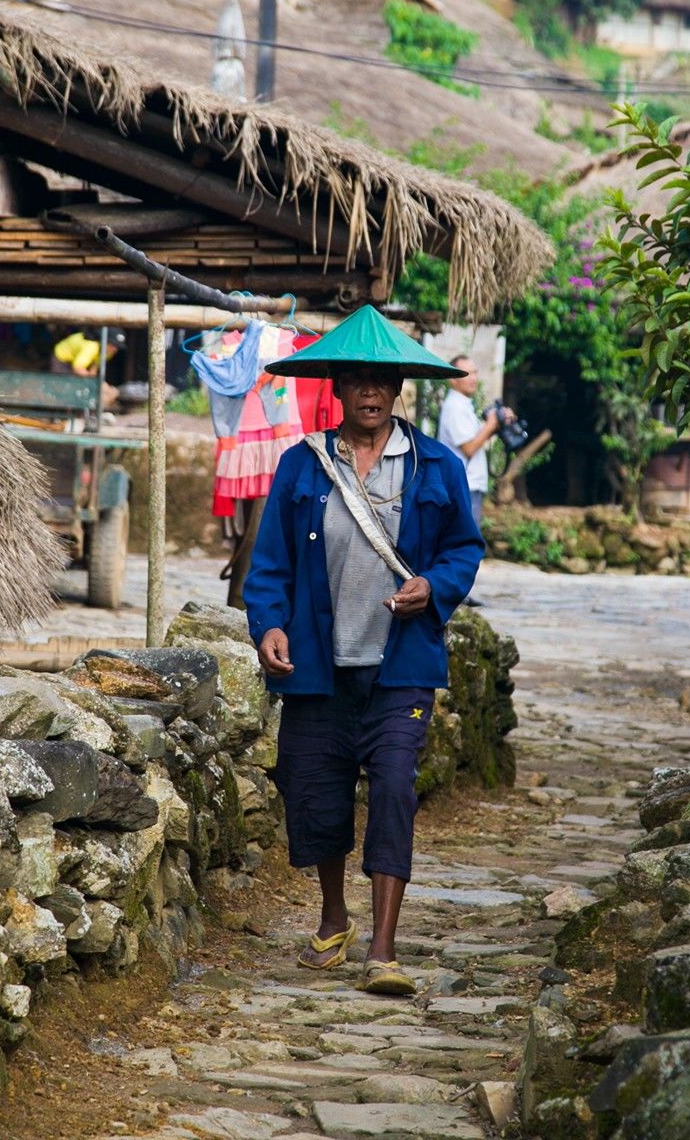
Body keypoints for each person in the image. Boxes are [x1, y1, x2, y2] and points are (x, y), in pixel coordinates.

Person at [243, 305, 484, 996]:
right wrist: (270, 627)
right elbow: (270, 567)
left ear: (400, 388)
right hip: (319, 667)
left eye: (383, 380)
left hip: (400, 668)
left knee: (394, 790)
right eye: (357, 380)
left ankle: (383, 947)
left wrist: (432, 587)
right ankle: (332, 916)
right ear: (337, 390)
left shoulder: (436, 466)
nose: (371, 393)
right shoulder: (301, 467)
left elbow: (464, 550)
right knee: (314, 791)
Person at [434, 355, 514, 528]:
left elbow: (476, 441)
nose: (474, 378)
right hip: (464, 486)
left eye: (475, 373)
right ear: (453, 379)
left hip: (468, 484)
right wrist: (491, 424)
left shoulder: (463, 405)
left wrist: (499, 423)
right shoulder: (455, 407)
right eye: (468, 374)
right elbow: (469, 448)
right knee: (465, 544)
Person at [53, 330, 122, 409]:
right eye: (113, 345)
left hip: (78, 360)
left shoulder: (108, 352)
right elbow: (77, 368)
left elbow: (94, 369)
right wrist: (101, 385)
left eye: (117, 347)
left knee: (87, 383)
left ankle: (79, 410)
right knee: (64, 385)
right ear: (105, 342)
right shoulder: (91, 347)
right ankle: (62, 411)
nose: (115, 350)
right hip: (62, 357)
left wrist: (97, 382)